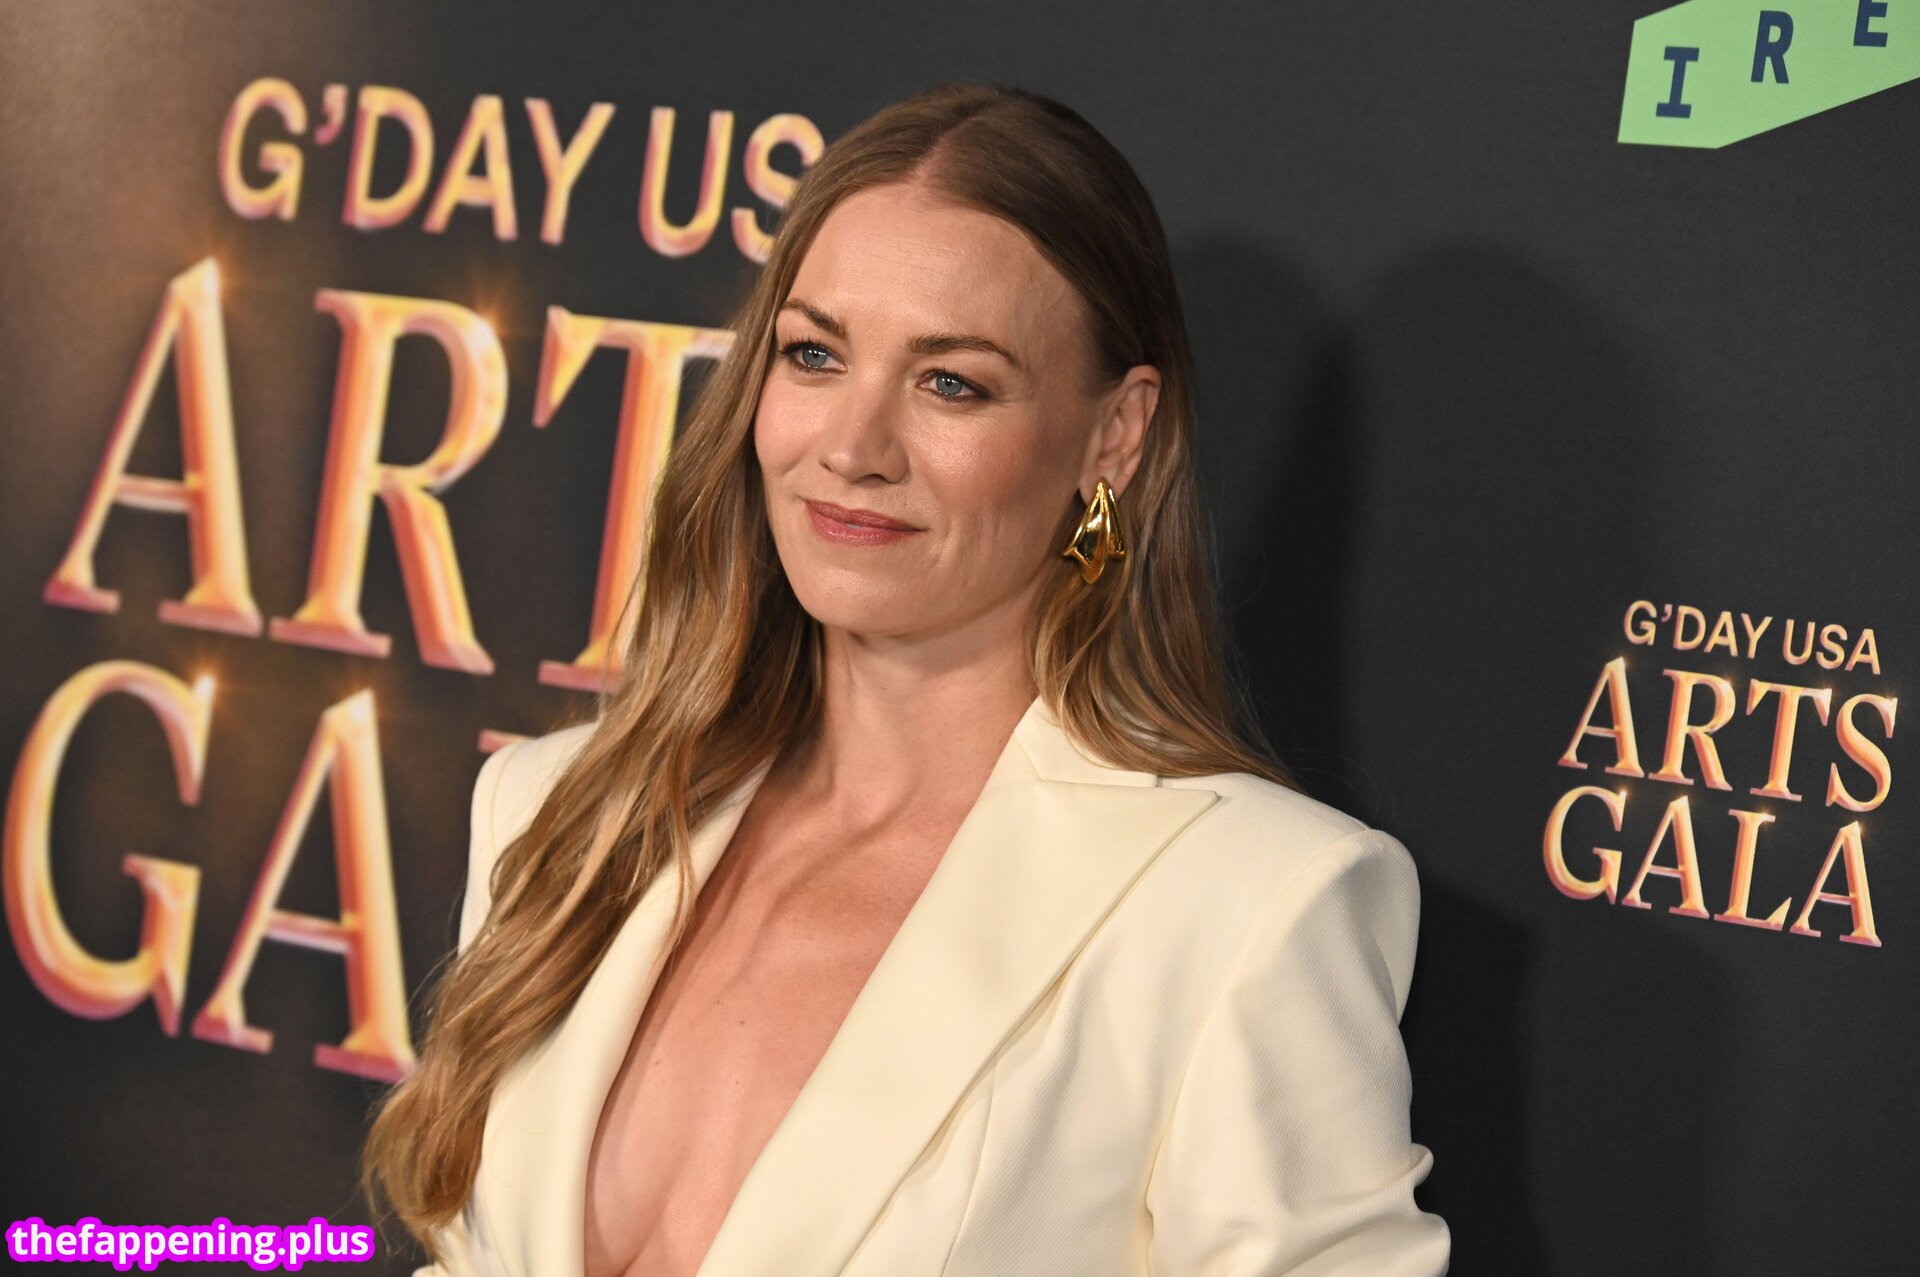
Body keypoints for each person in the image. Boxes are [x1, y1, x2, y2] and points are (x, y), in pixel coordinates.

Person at [362, 81, 1451, 1277]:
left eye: (951, 383)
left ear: (1114, 436)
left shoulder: (1247, 906)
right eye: (814, 354)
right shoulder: (558, 809)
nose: (852, 446)